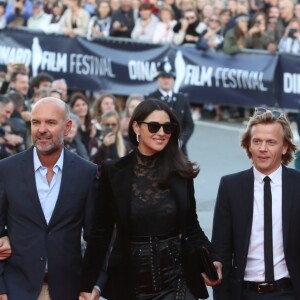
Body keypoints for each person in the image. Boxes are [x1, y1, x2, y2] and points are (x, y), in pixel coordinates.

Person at [79, 99, 222, 300]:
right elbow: (101, 232)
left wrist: (212, 257)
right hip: (130, 278)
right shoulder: (114, 171)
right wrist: (88, 282)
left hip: (177, 277)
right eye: (154, 126)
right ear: (136, 126)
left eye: (167, 127)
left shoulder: (181, 171)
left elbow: (191, 225)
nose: (161, 133)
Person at [0, 97, 98, 299]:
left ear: (67, 127)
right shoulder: (6, 170)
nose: (41, 129)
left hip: (69, 290)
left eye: (51, 122)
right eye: (36, 122)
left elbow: (96, 237)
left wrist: (94, 285)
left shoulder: (86, 173)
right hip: (15, 289)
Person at [212, 107, 299, 300]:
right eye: (257, 141)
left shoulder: (298, 185)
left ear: (284, 147)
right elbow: (221, 252)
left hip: (290, 292)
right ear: (248, 145)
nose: (262, 148)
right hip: (244, 293)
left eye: (271, 142)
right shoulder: (230, 186)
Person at [148, 60, 194, 156]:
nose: (166, 80)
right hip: (158, 150)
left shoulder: (182, 99)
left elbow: (189, 125)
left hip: (178, 150)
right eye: (163, 77)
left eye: (169, 77)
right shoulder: (150, 99)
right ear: (157, 78)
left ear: (173, 79)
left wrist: (180, 141)